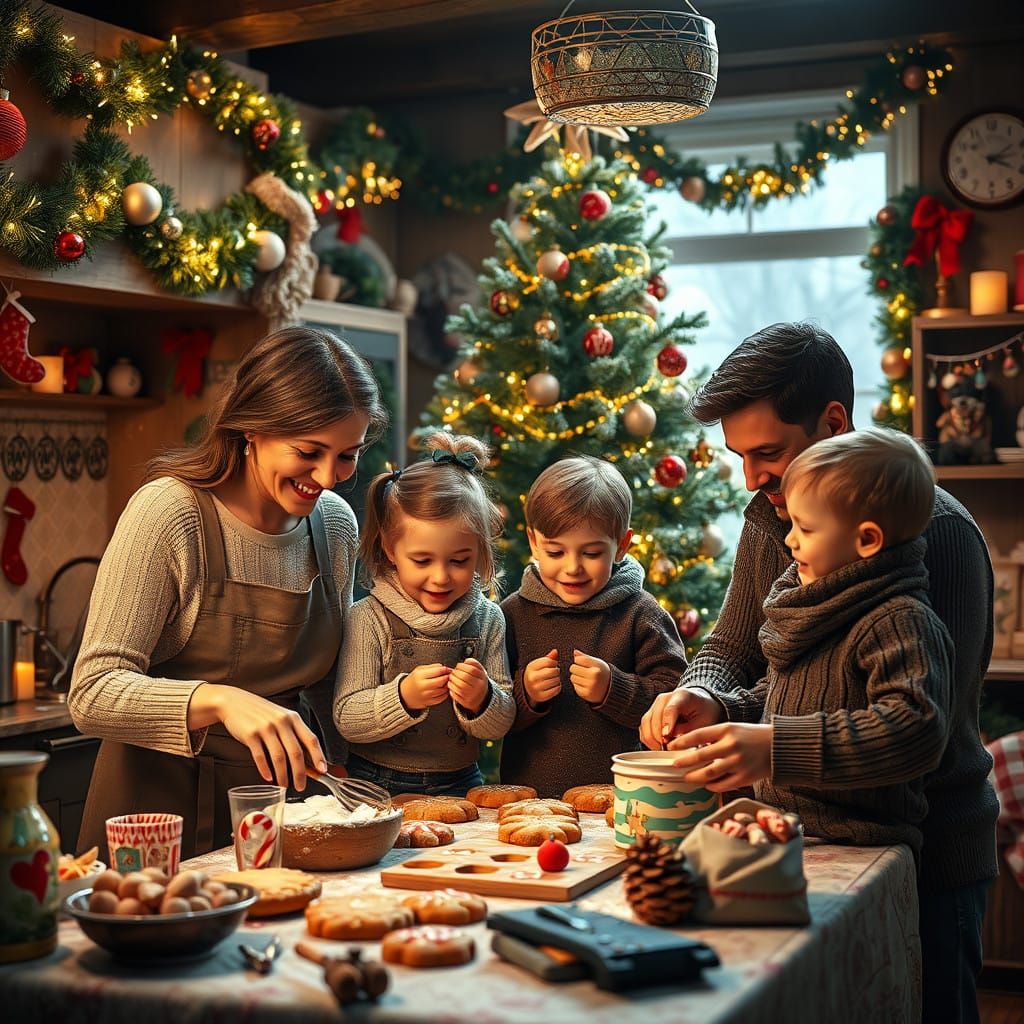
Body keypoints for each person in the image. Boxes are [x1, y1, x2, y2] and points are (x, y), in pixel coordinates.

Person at [639, 322, 997, 1024]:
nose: (753, 479)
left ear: (833, 421)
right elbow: (739, 646)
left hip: (926, 861)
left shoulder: (939, 537)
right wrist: (703, 693)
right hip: (811, 846)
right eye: (740, 457)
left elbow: (918, 733)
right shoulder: (774, 518)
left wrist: (769, 742)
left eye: (767, 452)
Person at [70, 326, 387, 858]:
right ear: (251, 429)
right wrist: (217, 699)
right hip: (154, 820)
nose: (330, 478)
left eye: (348, 455)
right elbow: (92, 693)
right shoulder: (170, 513)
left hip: (282, 815)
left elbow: (329, 684)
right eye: (309, 452)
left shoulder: (334, 525)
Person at [667, 429, 953, 861]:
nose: (789, 540)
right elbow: (794, 698)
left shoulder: (898, 619)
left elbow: (916, 729)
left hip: (859, 849)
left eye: (806, 527)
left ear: (868, 540)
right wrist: (723, 710)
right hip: (782, 833)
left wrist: (776, 749)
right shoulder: (817, 601)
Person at [334, 432, 515, 796]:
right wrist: (403, 697)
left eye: (459, 561)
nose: (440, 577)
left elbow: (500, 722)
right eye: (422, 560)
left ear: (479, 552)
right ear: (389, 549)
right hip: (375, 782)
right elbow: (347, 717)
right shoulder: (368, 618)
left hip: (462, 781)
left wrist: (484, 698)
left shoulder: (488, 619)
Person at [500, 455, 688, 796]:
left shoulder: (642, 614)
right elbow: (488, 709)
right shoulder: (512, 614)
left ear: (622, 545)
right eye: (555, 553)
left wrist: (614, 690)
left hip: (625, 799)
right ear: (532, 542)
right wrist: (523, 693)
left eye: (591, 553)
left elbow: (676, 702)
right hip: (530, 801)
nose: (573, 568)